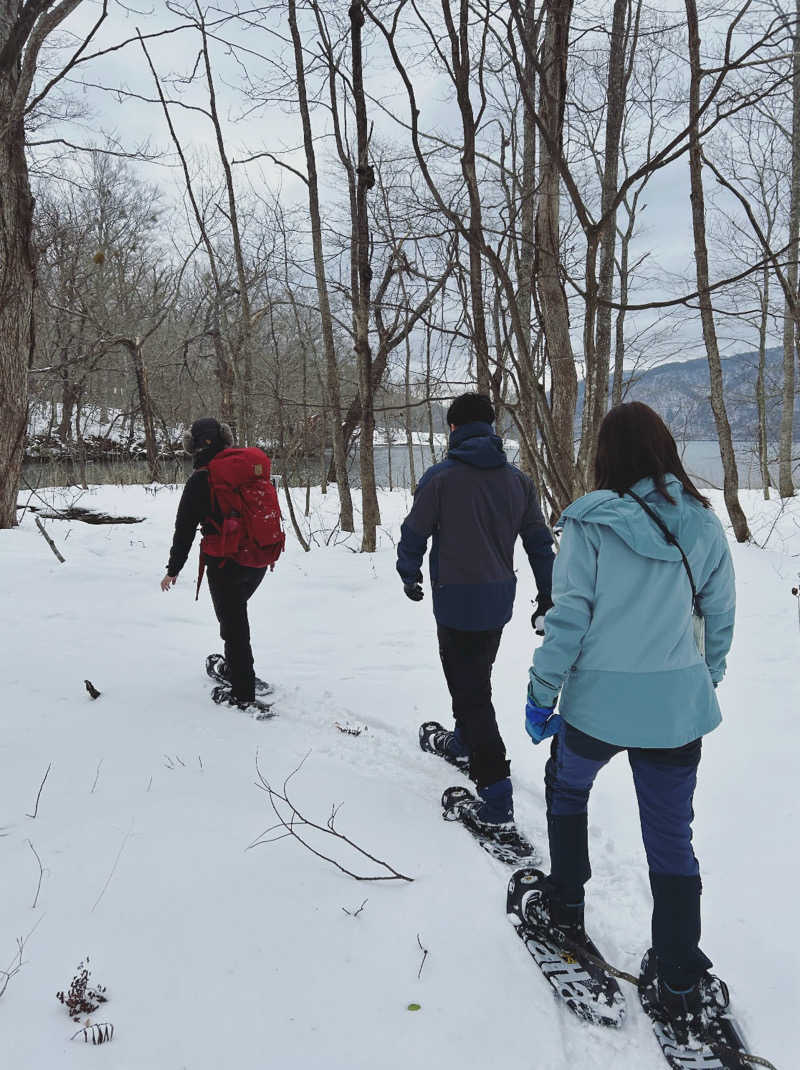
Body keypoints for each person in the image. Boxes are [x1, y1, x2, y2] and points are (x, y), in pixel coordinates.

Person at [522, 401, 736, 1041]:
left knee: (568, 789)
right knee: (671, 838)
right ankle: (676, 973)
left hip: (596, 709)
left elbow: (569, 619)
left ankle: (564, 907)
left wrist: (542, 694)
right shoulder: (702, 524)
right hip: (675, 711)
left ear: (607, 455)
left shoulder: (588, 523)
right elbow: (719, 616)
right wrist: (705, 679)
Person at [396, 392, 555, 830]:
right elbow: (539, 543)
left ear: (452, 429)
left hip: (456, 602)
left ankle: (496, 795)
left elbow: (415, 531)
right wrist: (549, 594)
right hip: (498, 601)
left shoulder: (441, 478)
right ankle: (463, 740)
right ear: (491, 428)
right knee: (474, 677)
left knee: (471, 691)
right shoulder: (518, 481)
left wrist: (407, 572)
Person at [160, 417, 272, 712]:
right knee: (235, 618)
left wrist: (173, 569)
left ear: (193, 446)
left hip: (225, 562)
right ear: (226, 439)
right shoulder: (246, 468)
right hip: (259, 559)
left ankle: (243, 692)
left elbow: (184, 528)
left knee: (233, 627)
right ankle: (237, 670)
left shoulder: (201, 478)